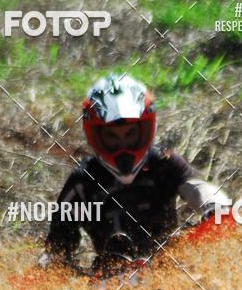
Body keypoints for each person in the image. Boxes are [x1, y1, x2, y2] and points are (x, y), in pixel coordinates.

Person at [40, 73, 230, 272]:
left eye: (131, 135)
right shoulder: (82, 181)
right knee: (116, 247)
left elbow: (196, 187)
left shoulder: (164, 162)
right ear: (94, 135)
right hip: (106, 283)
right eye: (112, 138)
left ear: (147, 128)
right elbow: (57, 251)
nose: (123, 148)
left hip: (169, 269)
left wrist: (215, 207)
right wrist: (45, 273)